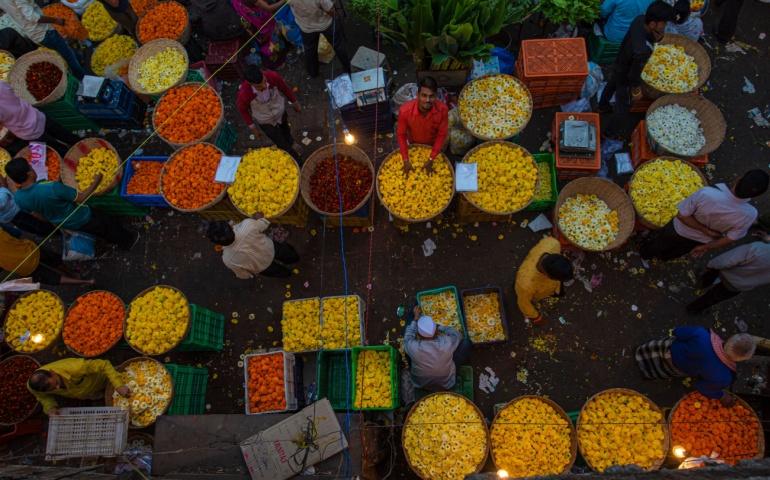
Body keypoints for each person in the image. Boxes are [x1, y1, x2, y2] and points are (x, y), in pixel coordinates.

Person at [5, 159, 140, 250]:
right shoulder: (51, 187)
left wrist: (54, 220)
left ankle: (111, 240)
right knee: (107, 225)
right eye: (31, 167)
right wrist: (96, 181)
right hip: (82, 216)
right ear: (29, 173)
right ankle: (129, 242)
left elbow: (38, 215)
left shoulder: (18, 198)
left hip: (66, 223)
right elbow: (81, 198)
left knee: (97, 231)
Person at [640, 170, 768, 262]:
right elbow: (730, 238)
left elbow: (682, 216)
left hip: (678, 230)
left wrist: (704, 229)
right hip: (699, 241)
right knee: (678, 251)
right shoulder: (751, 214)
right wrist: (705, 247)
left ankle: (645, 254)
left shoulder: (707, 193)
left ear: (739, 179)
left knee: (660, 242)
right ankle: (664, 258)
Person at [597, 2, 674, 129]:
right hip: (626, 77)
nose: (665, 26)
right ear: (653, 23)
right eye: (664, 23)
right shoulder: (642, 51)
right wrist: (636, 90)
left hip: (619, 62)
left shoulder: (639, 20)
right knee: (623, 107)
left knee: (611, 84)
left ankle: (602, 106)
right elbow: (634, 74)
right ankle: (609, 132)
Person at [636, 328, 756, 406]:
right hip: (675, 367)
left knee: (654, 351)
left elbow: (678, 332)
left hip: (665, 349)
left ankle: (639, 353)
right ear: (740, 359)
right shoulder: (724, 377)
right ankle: (646, 373)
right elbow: (702, 386)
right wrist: (722, 395)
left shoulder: (702, 333)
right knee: (659, 370)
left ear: (730, 338)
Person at [0, 0, 86, 79]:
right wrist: (56, 20)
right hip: (44, 31)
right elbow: (34, 17)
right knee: (68, 56)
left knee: (64, 51)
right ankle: (83, 77)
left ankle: (79, 60)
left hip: (32, 33)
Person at [686, 233, 770, 313]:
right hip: (740, 285)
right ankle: (694, 308)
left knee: (709, 277)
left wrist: (711, 265)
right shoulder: (761, 249)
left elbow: (727, 260)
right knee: (714, 297)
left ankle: (701, 284)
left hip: (725, 272)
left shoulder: (758, 248)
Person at [236, 65, 301, 160]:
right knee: (279, 140)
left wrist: (295, 102)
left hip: (279, 111)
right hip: (265, 120)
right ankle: (294, 157)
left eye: (264, 81)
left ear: (262, 73)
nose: (264, 86)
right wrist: (253, 128)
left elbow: (285, 89)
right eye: (259, 86)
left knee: (285, 128)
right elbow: (243, 110)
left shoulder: (273, 77)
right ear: (250, 83)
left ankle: (291, 142)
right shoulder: (244, 94)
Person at [206, 214, 300, 278]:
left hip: (263, 268)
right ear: (230, 226)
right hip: (271, 249)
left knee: (278, 272)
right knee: (287, 254)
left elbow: (243, 275)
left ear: (218, 244)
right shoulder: (247, 225)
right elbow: (263, 224)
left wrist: (250, 274)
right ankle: (294, 259)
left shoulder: (227, 260)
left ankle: (287, 274)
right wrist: (255, 218)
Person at [0, 82, 80, 156]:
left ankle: (73, 156)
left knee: (57, 147)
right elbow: (11, 89)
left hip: (29, 131)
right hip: (36, 115)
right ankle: (82, 145)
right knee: (63, 133)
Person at [27, 358, 131, 415]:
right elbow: (43, 398)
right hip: (86, 393)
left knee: (114, 378)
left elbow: (104, 365)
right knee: (97, 396)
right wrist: (50, 408)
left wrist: (118, 385)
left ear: (53, 373)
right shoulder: (34, 387)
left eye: (57, 384)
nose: (58, 388)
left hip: (101, 379)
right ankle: (97, 395)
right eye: (53, 390)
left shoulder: (76, 367)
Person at [403, 305, 470, 391]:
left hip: (421, 383)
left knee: (408, 350)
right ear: (436, 332)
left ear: (418, 335)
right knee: (466, 343)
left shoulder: (413, 347)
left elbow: (407, 337)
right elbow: (458, 335)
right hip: (446, 383)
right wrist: (440, 327)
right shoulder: (446, 342)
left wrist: (416, 319)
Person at [0, 227, 93, 285]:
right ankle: (72, 273)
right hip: (29, 249)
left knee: (51, 277)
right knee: (54, 261)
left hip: (20, 266)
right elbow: (16, 233)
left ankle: (86, 282)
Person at [514, 236, 574, 325]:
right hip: (534, 291)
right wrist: (536, 317)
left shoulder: (553, 243)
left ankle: (556, 291)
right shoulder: (526, 285)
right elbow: (524, 304)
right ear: (547, 275)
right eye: (557, 279)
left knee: (560, 292)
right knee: (527, 297)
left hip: (550, 285)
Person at [396, 77, 448, 173]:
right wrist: (406, 160)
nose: (428, 100)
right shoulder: (404, 111)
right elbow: (401, 135)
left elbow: (442, 135)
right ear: (417, 95)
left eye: (431, 96)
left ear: (436, 96)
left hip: (433, 145)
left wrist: (432, 158)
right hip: (414, 144)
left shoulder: (443, 110)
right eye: (424, 95)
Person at [289, 0, 351, 77]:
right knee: (338, 45)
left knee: (310, 50)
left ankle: (313, 73)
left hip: (306, 27)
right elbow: (331, 11)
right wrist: (336, 14)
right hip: (325, 24)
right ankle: (347, 68)